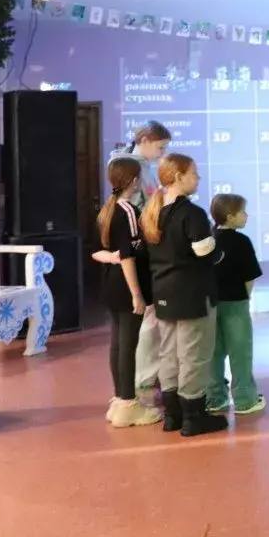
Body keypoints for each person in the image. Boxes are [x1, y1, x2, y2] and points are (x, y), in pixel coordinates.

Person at [141, 153, 228, 436]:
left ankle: (173, 415)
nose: (198, 178)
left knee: (169, 353)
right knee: (194, 355)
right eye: (194, 173)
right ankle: (193, 416)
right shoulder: (192, 214)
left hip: (163, 292)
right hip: (193, 294)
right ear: (179, 177)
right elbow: (206, 253)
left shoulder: (153, 213)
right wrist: (219, 251)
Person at [109, 121, 172, 407]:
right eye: (160, 147)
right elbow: (133, 231)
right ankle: (138, 382)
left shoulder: (139, 167)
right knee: (141, 322)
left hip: (137, 254)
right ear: (145, 140)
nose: (162, 153)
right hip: (139, 255)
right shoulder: (132, 171)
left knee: (132, 329)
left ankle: (135, 384)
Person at [98, 157, 163, 429]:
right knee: (127, 345)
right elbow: (128, 256)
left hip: (111, 285)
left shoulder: (108, 209)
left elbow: (101, 252)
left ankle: (119, 399)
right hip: (127, 286)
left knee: (118, 343)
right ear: (134, 181)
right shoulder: (127, 211)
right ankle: (128, 403)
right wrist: (137, 294)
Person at [205, 193, 266, 416]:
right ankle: (245, 399)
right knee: (240, 352)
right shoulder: (241, 242)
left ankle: (214, 397)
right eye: (242, 212)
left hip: (210, 304)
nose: (246, 216)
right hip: (236, 303)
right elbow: (249, 276)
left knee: (213, 352)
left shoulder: (207, 239)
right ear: (230, 217)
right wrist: (245, 298)